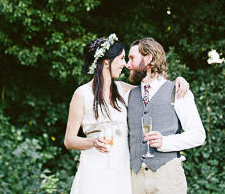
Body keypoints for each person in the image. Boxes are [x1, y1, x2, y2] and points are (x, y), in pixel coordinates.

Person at [64, 34, 189, 194]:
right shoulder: (81, 94)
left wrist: (179, 80)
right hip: (94, 165)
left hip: (122, 167)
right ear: (107, 62)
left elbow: (156, 87)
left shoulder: (124, 90)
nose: (125, 64)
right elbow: (69, 140)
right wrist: (93, 142)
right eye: (122, 58)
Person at [126, 37, 206, 194]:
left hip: (168, 178)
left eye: (132, 58)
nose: (127, 65)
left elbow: (198, 135)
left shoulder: (178, 92)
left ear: (148, 58)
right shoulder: (127, 95)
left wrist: (165, 142)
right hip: (134, 180)